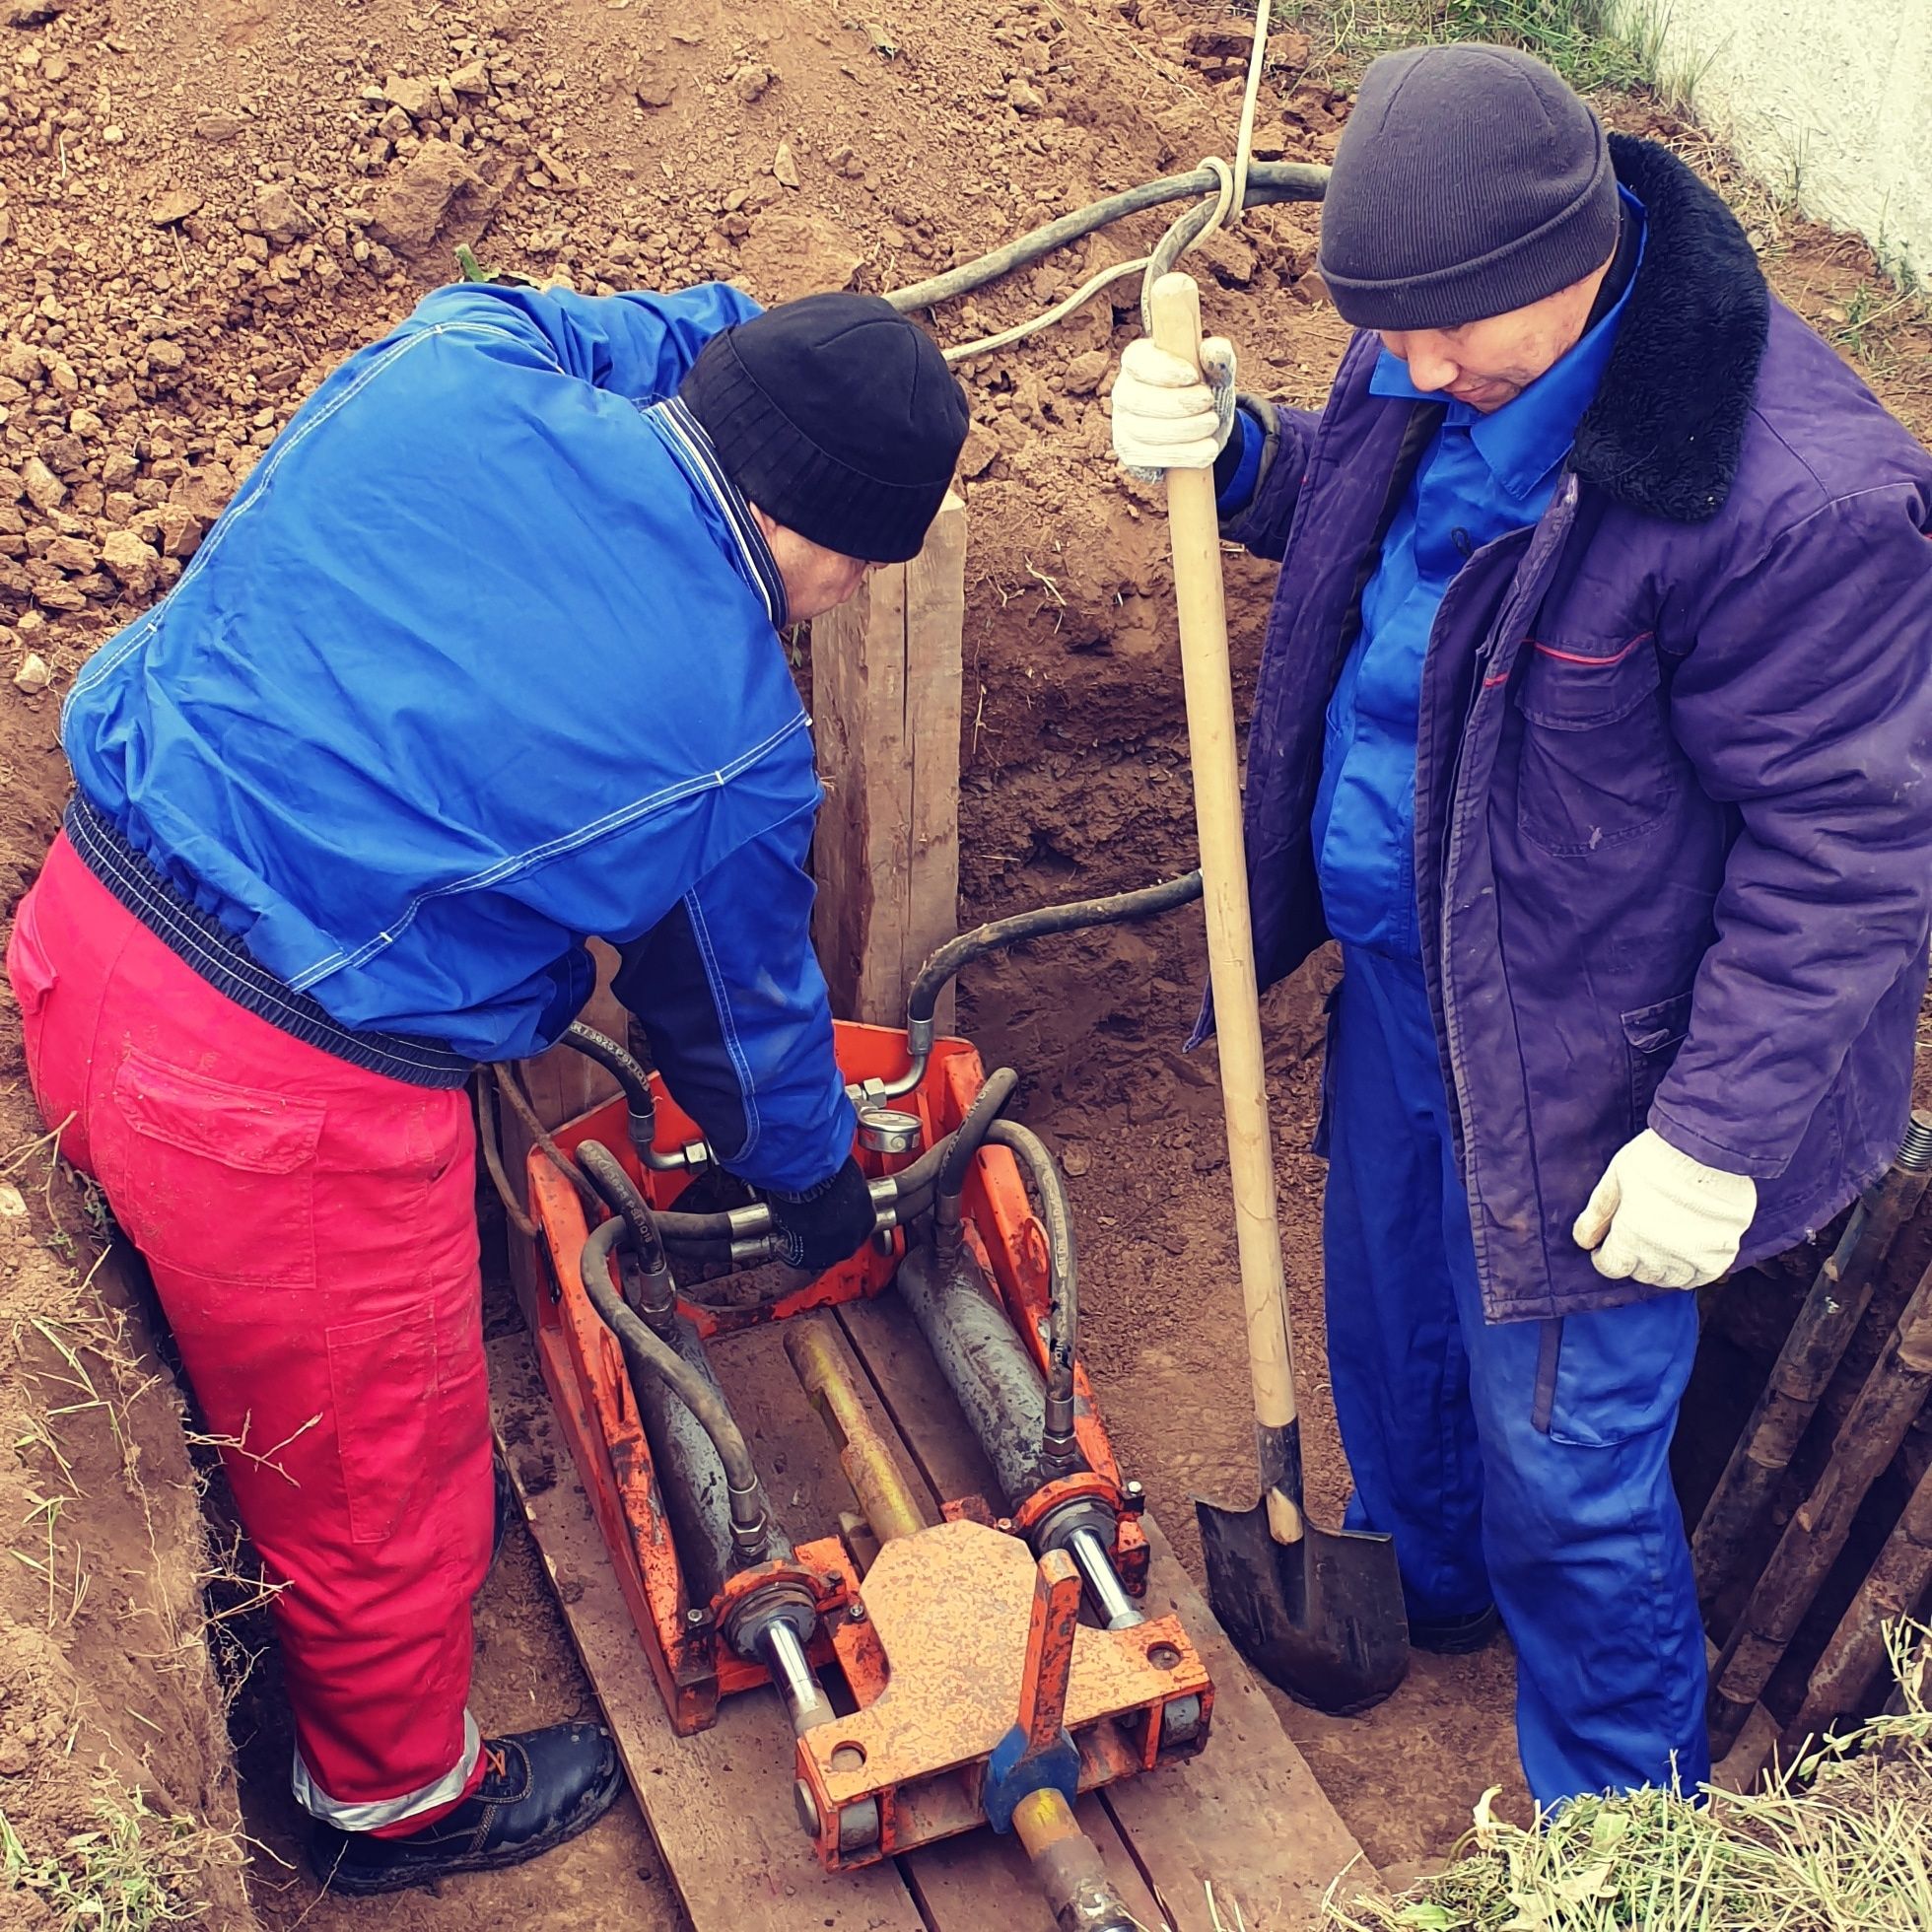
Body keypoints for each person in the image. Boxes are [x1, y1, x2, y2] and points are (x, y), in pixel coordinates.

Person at [4, 282, 969, 1892]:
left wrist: (748, 336)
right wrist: (806, 1179)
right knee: (376, 1477)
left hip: (78, 937)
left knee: (265, 1365)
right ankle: (391, 1806)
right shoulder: (733, 743)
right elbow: (733, 1022)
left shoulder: (452, 367)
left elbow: (591, 325)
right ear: (847, 552)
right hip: (273, 1109)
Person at [1112, 43, 1932, 1805]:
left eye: (1445, 346)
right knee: (1398, 1314)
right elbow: (1391, 495)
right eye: (1387, 340)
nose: (1412, 374)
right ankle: (1429, 1580)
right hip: (1418, 974)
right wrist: (1250, 460)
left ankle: (1617, 1820)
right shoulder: (1452, 326)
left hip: (1598, 1058)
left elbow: (1852, 842)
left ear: (1574, 261)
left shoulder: (1800, 499)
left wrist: (1713, 1135)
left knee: (1567, 1455)